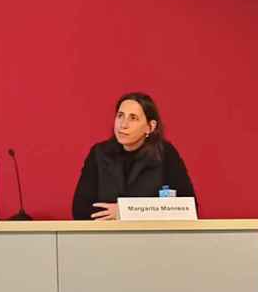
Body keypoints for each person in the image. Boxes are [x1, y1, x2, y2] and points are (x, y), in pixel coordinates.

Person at [72, 92, 196, 220]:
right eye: (120, 116)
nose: (123, 125)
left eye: (133, 118)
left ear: (150, 127)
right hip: (107, 236)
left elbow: (188, 208)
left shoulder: (166, 154)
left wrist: (126, 212)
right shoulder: (99, 153)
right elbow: (80, 210)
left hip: (152, 238)